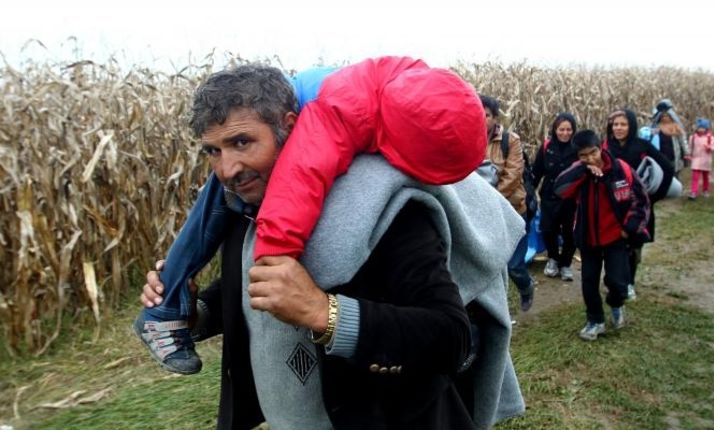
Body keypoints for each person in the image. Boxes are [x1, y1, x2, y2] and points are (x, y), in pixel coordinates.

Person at [138, 63, 526, 429]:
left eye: (242, 142)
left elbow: (449, 338)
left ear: (290, 126)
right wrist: (198, 312)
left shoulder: (382, 203)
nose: (227, 169)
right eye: (213, 150)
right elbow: (261, 281)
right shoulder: (245, 198)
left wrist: (325, 313)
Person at [554, 130, 650, 341]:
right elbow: (559, 189)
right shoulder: (578, 172)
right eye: (583, 155)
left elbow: (641, 200)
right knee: (589, 282)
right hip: (588, 239)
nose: (590, 158)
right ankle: (595, 320)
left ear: (601, 148)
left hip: (616, 238)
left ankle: (616, 303)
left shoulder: (620, 169)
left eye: (593, 152)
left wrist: (628, 228)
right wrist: (584, 171)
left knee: (617, 282)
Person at [603, 109, 674, 300]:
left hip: (637, 207)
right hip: (613, 207)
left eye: (623, 124)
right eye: (615, 124)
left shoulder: (642, 146)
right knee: (613, 247)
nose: (618, 128)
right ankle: (615, 282)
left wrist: (655, 196)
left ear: (631, 126)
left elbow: (668, 168)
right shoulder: (606, 147)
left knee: (633, 247)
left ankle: (629, 283)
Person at [480, 94, 535, 311]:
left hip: (512, 210)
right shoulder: (467, 139)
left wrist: (489, 199)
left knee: (514, 265)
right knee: (491, 266)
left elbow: (513, 176)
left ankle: (526, 286)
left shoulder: (510, 140)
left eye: (486, 115)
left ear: (495, 118)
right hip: (483, 214)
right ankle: (496, 309)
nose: (481, 118)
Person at [532, 113, 579, 282]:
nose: (565, 133)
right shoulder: (547, 147)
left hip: (571, 199)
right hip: (549, 197)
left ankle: (565, 264)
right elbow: (537, 172)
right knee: (548, 229)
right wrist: (529, 191)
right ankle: (553, 258)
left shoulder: (578, 149)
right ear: (555, 130)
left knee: (569, 233)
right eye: (561, 129)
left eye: (569, 130)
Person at [651, 99, 689, 175]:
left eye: (667, 116)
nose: (665, 117)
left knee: (674, 176)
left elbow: (682, 140)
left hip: (674, 157)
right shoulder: (656, 128)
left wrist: (686, 153)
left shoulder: (676, 127)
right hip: (661, 158)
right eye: (663, 116)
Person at [687, 118, 714, 200]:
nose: (700, 129)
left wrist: (709, 147)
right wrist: (688, 154)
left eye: (703, 128)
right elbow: (690, 147)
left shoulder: (710, 137)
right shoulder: (693, 137)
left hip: (706, 160)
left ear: (706, 128)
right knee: (695, 177)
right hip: (696, 159)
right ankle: (693, 192)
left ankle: (705, 190)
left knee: (706, 176)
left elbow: (713, 147)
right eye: (699, 127)